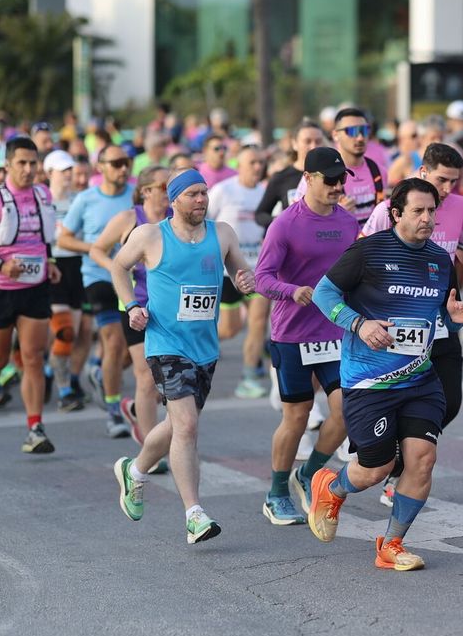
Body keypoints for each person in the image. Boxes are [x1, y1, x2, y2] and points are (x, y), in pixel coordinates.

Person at [305, 179, 463, 570]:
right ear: (396, 213)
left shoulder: (440, 260)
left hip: (420, 379)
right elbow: (323, 293)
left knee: (423, 457)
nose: (427, 218)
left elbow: (437, 321)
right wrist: (358, 325)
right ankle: (330, 487)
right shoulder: (368, 250)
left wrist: (453, 321)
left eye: (432, 211)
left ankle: (392, 544)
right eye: (418, 211)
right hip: (369, 382)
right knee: (376, 468)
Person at [109, 168, 256, 543]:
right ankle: (194, 514)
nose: (201, 199)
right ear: (173, 199)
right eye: (192, 194)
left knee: (177, 425)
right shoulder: (150, 235)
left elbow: (240, 268)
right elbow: (118, 266)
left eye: (204, 192)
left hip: (204, 348)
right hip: (165, 343)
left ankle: (135, 470)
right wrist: (130, 306)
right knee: (188, 426)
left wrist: (243, 278)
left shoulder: (221, 234)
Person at [362, 143, 463, 503]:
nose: (448, 189)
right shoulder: (394, 207)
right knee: (399, 395)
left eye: (454, 181)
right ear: (422, 172)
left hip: (441, 315)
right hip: (400, 316)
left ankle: (400, 460)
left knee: (449, 402)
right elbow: (360, 253)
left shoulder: (460, 206)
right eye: (441, 180)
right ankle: (387, 459)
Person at [253, 147, 359, 525]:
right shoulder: (285, 224)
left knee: (346, 411)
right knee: (296, 417)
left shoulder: (348, 223)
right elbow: (261, 277)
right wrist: (291, 290)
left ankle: (309, 472)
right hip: (293, 334)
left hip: (335, 332)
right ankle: (277, 492)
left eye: (341, 179)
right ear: (309, 178)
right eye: (329, 179)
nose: (337, 186)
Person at [0, 137, 61, 454]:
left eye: (33, 163)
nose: (29, 169)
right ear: (8, 165)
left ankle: (35, 428)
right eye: (22, 163)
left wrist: (51, 262)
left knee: (33, 357)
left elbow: (46, 238)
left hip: (35, 287)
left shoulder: (43, 194)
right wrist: (2, 264)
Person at [58, 143, 136, 437]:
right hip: (98, 277)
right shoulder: (87, 199)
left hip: (133, 280)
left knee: (132, 351)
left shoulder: (135, 197)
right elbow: (64, 239)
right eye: (116, 163)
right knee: (113, 342)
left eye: (126, 162)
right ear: (100, 167)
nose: (123, 168)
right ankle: (114, 411)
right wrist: (97, 248)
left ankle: (102, 372)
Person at [90, 166, 169, 445]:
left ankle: (136, 409)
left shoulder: (177, 219)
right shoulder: (128, 218)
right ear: (146, 191)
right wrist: (119, 267)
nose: (169, 191)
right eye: (163, 186)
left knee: (166, 381)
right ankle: (150, 445)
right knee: (146, 377)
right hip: (136, 306)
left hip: (171, 308)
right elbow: (96, 248)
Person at [208, 144, 270, 397]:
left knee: (257, 323)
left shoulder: (266, 193)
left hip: (257, 269)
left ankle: (248, 378)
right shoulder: (223, 191)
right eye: (252, 162)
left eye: (260, 162)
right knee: (229, 330)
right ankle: (190, 350)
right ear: (239, 165)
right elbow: (204, 223)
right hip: (227, 271)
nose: (258, 167)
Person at [41, 148, 91, 411]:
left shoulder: (80, 199)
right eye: (64, 171)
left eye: (71, 169)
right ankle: (65, 392)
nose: (69, 175)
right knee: (65, 331)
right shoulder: (41, 199)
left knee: (76, 333)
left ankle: (50, 372)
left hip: (78, 267)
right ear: (49, 173)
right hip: (53, 266)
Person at [254, 120, 324, 228]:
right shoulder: (282, 177)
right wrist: (283, 221)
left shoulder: (331, 175)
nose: (313, 146)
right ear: (295, 144)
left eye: (318, 141)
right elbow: (260, 215)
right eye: (307, 141)